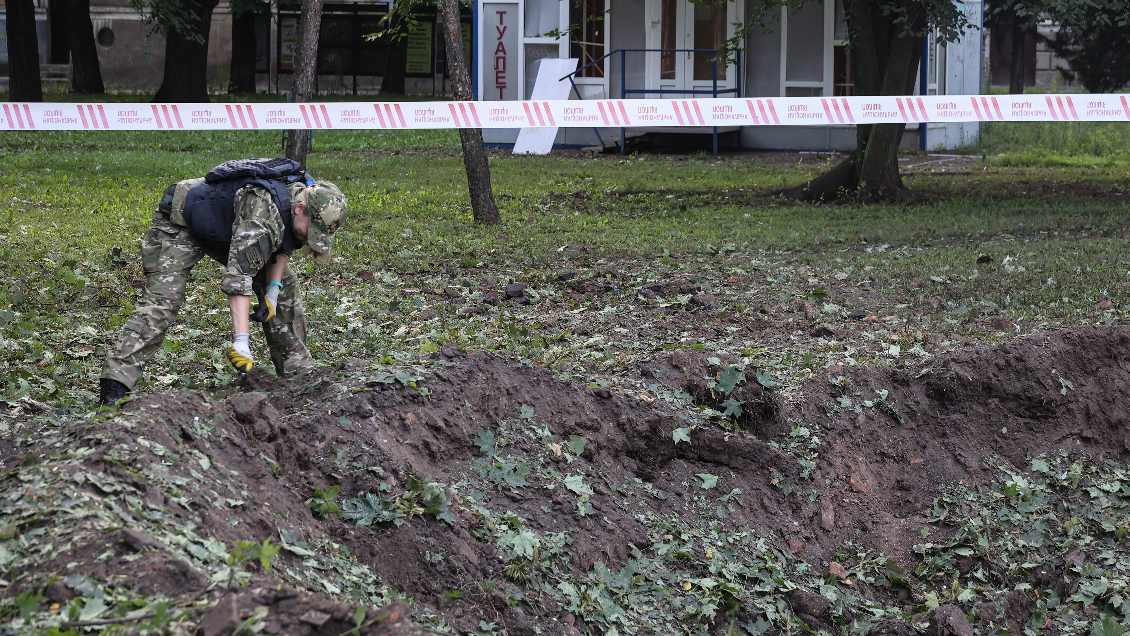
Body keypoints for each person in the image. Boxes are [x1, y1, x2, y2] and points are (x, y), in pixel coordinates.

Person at [97, 158, 348, 406]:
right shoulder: (264, 213)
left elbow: (286, 242)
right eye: (311, 230)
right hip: (182, 220)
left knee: (286, 286)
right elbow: (239, 276)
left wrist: (273, 290)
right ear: (300, 209)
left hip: (226, 228)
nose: (311, 237)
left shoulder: (303, 198)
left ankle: (298, 376)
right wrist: (241, 341)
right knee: (164, 299)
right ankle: (116, 384)